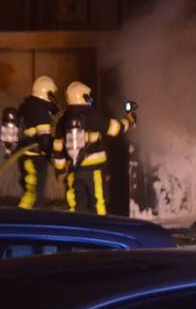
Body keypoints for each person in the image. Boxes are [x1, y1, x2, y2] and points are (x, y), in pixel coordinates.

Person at [52, 81, 136, 215]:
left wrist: (60, 171)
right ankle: (99, 232)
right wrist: (129, 121)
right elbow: (115, 129)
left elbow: (57, 148)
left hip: (73, 171)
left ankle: (76, 233)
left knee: (75, 207)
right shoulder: (92, 116)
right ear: (84, 97)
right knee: (98, 204)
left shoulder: (63, 120)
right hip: (95, 170)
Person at [15, 75, 59, 209]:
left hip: (27, 156)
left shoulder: (28, 106)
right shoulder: (40, 110)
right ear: (47, 93)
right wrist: (55, 154)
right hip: (34, 158)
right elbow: (44, 139)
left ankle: (28, 219)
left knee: (32, 190)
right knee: (33, 193)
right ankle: (23, 220)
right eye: (52, 94)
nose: (53, 98)